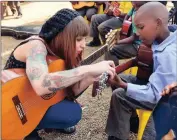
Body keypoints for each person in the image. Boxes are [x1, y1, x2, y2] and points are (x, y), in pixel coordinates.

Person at [3, 8, 116, 140]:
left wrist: (90, 77)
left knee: (72, 113)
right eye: (79, 39)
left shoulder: (63, 52)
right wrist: (87, 69)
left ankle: (32, 125)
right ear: (62, 37)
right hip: (7, 101)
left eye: (85, 39)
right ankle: (26, 129)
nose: (83, 45)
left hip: (31, 103)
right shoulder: (36, 47)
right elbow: (42, 84)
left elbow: (68, 92)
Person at [105, 2, 177, 140]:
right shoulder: (168, 35)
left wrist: (123, 85)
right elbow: (139, 62)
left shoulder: (169, 55)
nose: (137, 33)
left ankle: (118, 136)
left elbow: (156, 95)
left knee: (119, 94)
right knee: (121, 81)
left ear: (158, 23)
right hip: (157, 84)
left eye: (141, 28)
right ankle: (132, 121)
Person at [104, 1, 146, 66]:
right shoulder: (135, 8)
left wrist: (117, 42)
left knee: (110, 50)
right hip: (135, 40)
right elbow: (127, 15)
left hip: (139, 45)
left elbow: (134, 38)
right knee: (109, 48)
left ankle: (114, 72)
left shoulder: (139, 16)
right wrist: (124, 25)